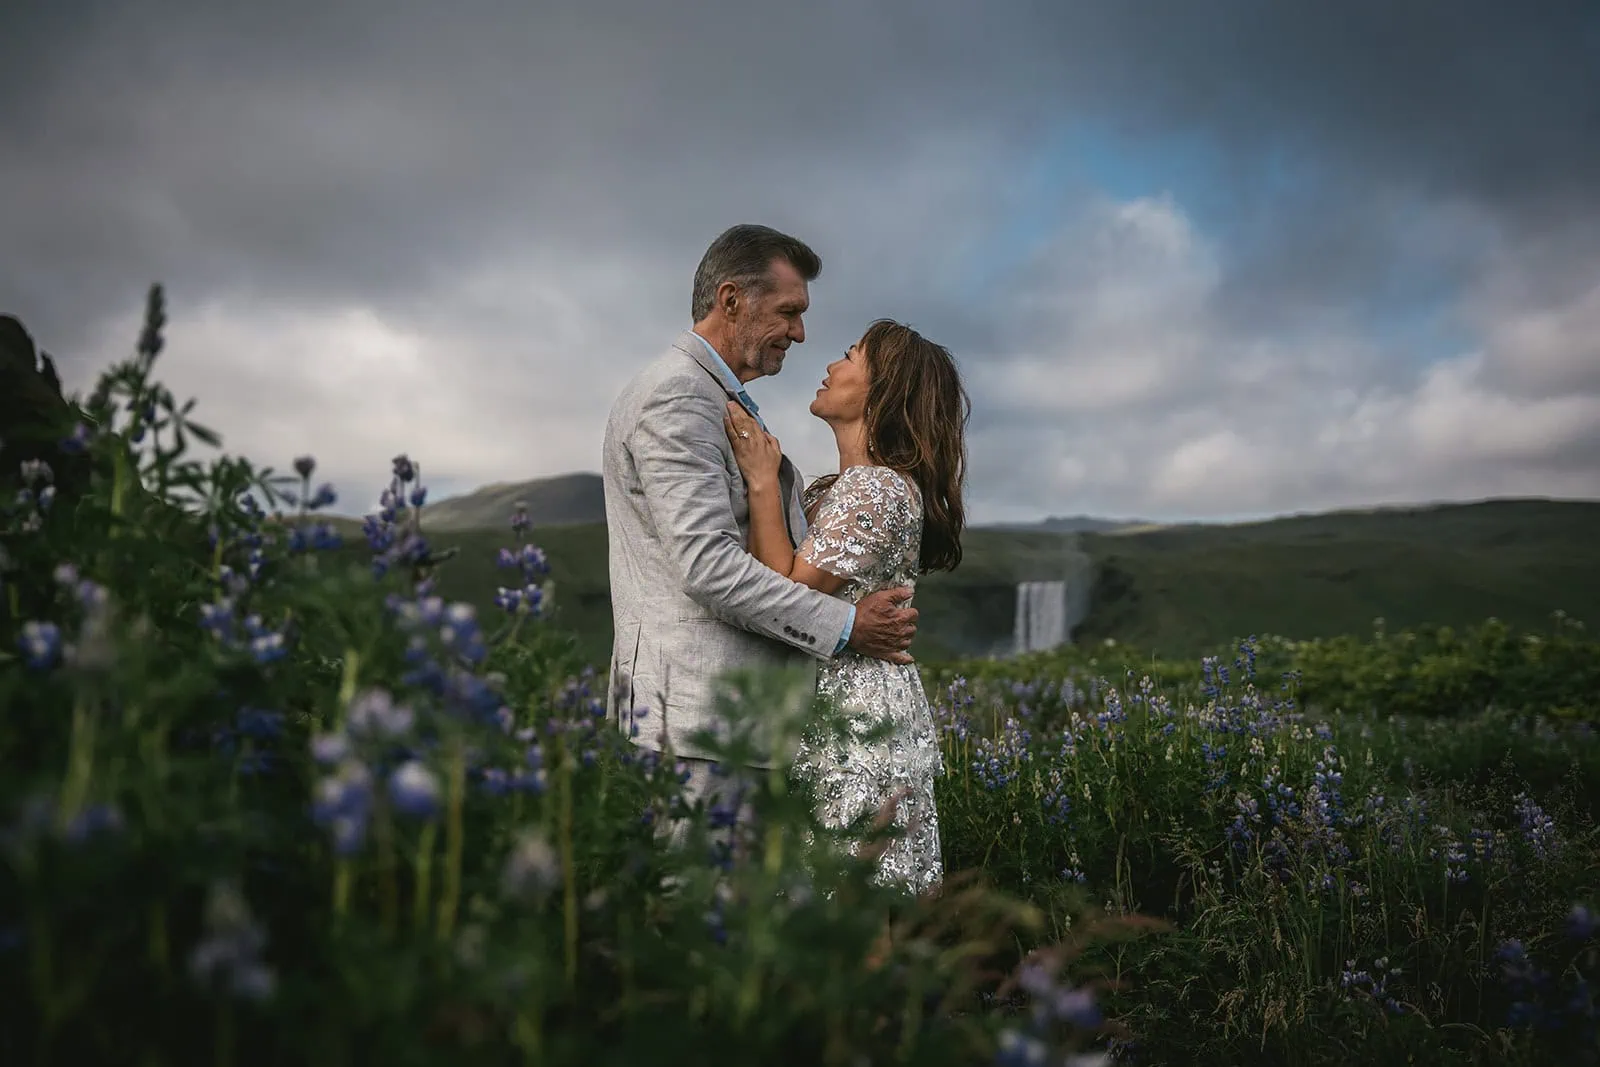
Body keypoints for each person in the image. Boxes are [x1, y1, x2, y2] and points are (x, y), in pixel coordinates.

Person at [602, 224, 921, 841]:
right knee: (697, 923)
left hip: (727, 727)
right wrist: (851, 625)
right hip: (694, 725)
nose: (800, 333)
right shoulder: (679, 396)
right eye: (789, 312)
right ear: (731, 301)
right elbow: (708, 568)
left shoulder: (718, 395)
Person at [723, 318, 970, 895]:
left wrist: (761, 481)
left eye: (850, 355)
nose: (831, 365)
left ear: (883, 389)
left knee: (848, 911)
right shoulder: (840, 489)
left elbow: (785, 590)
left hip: (851, 717)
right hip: (845, 706)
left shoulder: (874, 489)